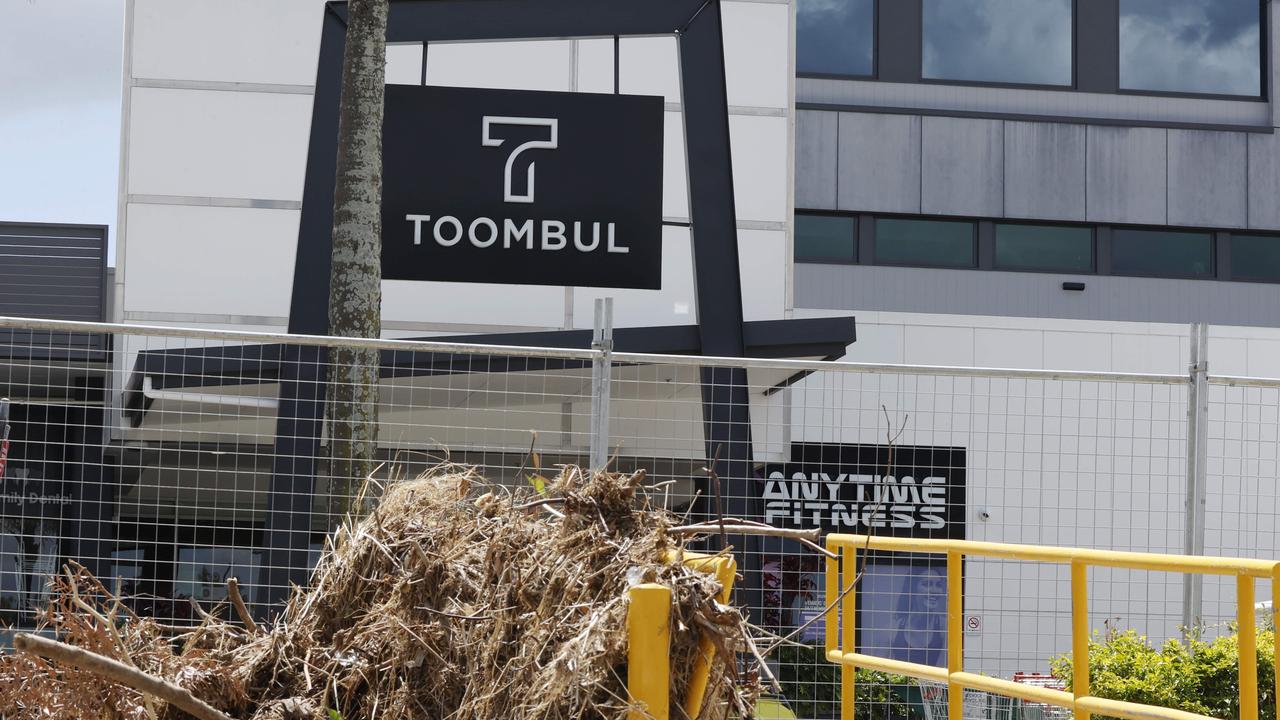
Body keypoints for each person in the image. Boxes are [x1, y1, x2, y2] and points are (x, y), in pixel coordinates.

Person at [891, 565, 946, 666]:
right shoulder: (892, 630)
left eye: (938, 585)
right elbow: (879, 673)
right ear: (912, 589)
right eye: (926, 584)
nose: (934, 591)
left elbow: (944, 673)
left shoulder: (946, 628)